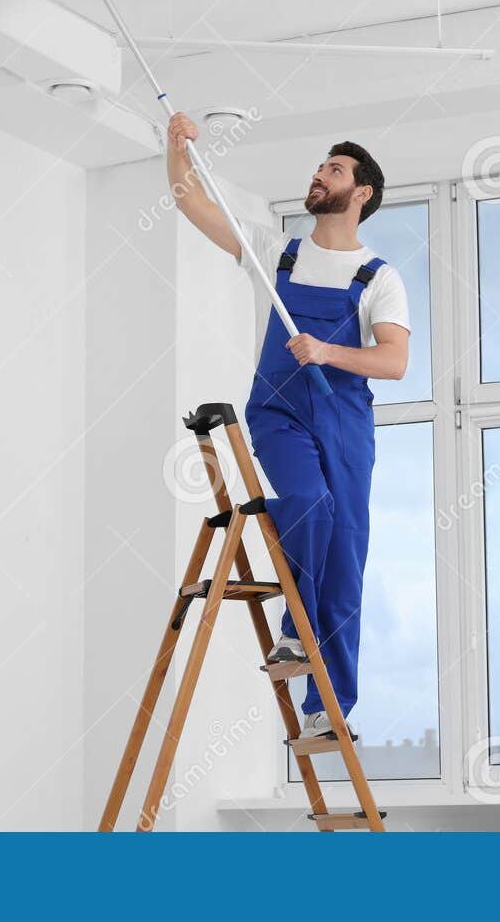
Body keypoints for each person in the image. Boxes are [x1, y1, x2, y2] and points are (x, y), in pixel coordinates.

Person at [166, 112, 410, 740]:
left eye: (334, 169)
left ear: (362, 195)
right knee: (309, 504)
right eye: (319, 167)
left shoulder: (379, 277)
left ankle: (326, 712)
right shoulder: (276, 251)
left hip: (344, 418)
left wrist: (327, 352)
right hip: (277, 409)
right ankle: (295, 635)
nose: (319, 175)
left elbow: (394, 361)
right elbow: (191, 201)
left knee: (345, 552)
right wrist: (176, 147)